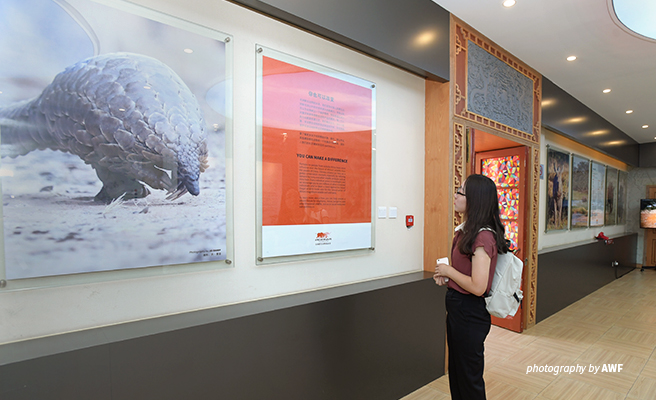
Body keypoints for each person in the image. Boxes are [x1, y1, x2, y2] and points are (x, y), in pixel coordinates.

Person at [434, 174, 509, 400]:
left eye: (461, 191)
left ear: (475, 199)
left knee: (469, 378)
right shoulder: (466, 231)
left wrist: (449, 272)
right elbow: (466, 274)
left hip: (470, 313)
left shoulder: (483, 236)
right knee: (457, 373)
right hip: (459, 309)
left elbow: (478, 286)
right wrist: (448, 278)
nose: (455, 195)